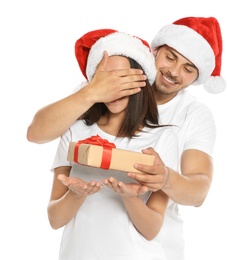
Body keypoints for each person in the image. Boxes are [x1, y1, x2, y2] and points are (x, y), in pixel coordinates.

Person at [27, 17, 225, 259]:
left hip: (154, 247)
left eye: (188, 68)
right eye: (170, 57)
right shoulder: (87, 110)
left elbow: (198, 191)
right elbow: (36, 133)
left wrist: (164, 178)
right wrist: (92, 91)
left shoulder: (177, 127)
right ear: (153, 53)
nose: (173, 72)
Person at [49, 29, 179, 260]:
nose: (112, 88)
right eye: (105, 79)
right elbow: (55, 220)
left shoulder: (162, 139)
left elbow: (151, 230)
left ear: (140, 80)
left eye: (121, 79)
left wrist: (130, 197)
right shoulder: (74, 130)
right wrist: (76, 194)